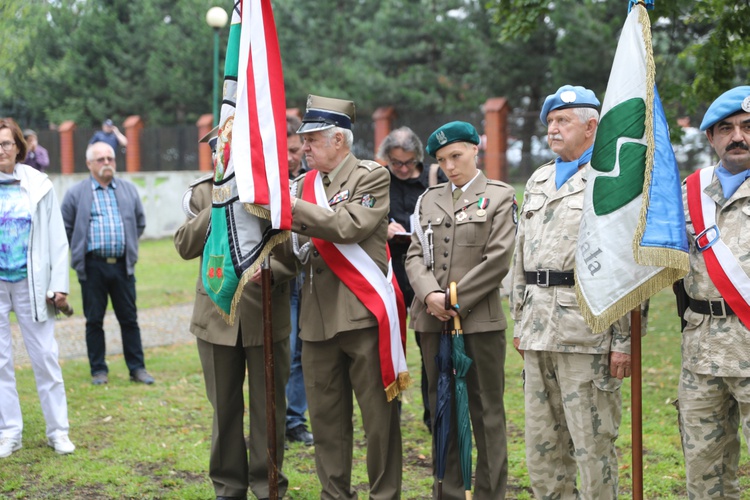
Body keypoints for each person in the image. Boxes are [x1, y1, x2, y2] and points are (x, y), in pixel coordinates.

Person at [510, 85, 631, 499]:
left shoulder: (612, 178)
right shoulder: (539, 178)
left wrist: (624, 340)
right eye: (550, 123)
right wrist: (519, 322)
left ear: (592, 125)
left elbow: (628, 266)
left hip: (588, 331)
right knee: (543, 447)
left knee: (592, 447)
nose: (553, 130)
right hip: (538, 328)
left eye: (563, 121)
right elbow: (520, 257)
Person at [288, 94, 404, 498]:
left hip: (360, 314)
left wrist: (292, 205)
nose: (305, 147)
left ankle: (384, 494)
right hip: (316, 320)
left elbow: (349, 226)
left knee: (379, 422)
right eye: (305, 140)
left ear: (339, 140)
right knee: (326, 423)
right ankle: (334, 494)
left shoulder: (371, 176)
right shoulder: (302, 185)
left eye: (313, 139)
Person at [174, 128, 293, 499]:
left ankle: (267, 484)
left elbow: (294, 253)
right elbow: (185, 245)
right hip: (215, 319)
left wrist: (273, 270)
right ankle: (229, 486)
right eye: (219, 154)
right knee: (224, 410)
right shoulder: (201, 192)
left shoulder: (273, 189)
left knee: (268, 409)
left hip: (265, 312)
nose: (223, 158)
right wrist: (218, 202)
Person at [405, 121, 517, 499]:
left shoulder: (499, 197)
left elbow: (498, 258)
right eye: (442, 159)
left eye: (456, 155)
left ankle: (488, 493)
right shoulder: (428, 200)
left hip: (479, 324)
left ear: (475, 149)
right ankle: (449, 492)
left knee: (486, 412)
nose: (450, 166)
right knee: (442, 411)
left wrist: (452, 300)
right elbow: (414, 254)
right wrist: (428, 295)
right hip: (432, 322)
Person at [677, 85, 750, 499]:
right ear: (710, 137)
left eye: (747, 126)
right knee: (703, 473)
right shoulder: (689, 194)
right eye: (726, 128)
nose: (737, 136)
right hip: (701, 352)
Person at [0, 117, 75, 458]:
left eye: (6, 143)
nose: (1, 150)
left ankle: (58, 431)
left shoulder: (38, 184)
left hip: (33, 285)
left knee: (45, 357)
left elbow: (57, 239)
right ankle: (9, 432)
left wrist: (59, 285)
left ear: (18, 146)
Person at [60, 141, 154, 386]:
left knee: (129, 319)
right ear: (89, 164)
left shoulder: (127, 190)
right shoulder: (76, 193)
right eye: (100, 159)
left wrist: (128, 246)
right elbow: (66, 228)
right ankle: (98, 370)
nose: (106, 163)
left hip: (123, 266)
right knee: (94, 320)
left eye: (110, 158)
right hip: (92, 267)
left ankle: (137, 369)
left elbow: (139, 223)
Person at [377, 126, 447, 433]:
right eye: (396, 163)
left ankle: (434, 415)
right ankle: (388, 410)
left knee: (431, 345)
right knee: (388, 343)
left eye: (408, 163)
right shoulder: (379, 182)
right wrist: (383, 229)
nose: (403, 169)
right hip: (389, 272)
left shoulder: (435, 178)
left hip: (425, 274)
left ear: (418, 158)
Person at [283, 115, 313, 447]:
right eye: (288, 149)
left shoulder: (309, 181)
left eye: (298, 150)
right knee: (285, 350)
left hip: (309, 278)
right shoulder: (266, 184)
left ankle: (295, 419)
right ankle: (275, 418)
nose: (294, 156)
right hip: (282, 281)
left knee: (304, 352)